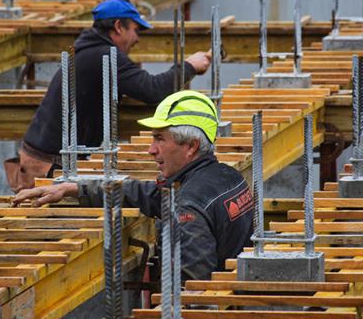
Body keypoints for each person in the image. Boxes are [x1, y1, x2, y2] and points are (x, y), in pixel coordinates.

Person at [13, 90, 253, 281]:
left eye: (159, 139)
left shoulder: (189, 204)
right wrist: (75, 188)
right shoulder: (226, 177)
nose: (151, 149)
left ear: (190, 147)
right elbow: (146, 194)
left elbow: (193, 291)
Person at [5, 0, 211, 192]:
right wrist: (189, 66)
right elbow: (152, 89)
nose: (137, 38)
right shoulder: (104, 55)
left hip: (43, 157)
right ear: (119, 26)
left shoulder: (88, 49)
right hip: (49, 165)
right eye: (135, 30)